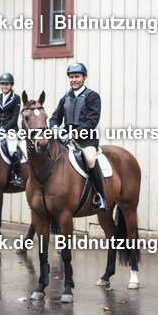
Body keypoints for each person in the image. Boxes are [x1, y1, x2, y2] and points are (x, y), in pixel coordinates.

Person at [49, 62, 106, 211]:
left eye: (77, 76)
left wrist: (73, 133)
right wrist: (55, 129)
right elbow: (55, 118)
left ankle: (100, 197)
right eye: (72, 77)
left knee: (90, 159)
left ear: (84, 77)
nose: (74, 79)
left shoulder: (92, 96)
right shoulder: (66, 97)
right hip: (66, 140)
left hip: (86, 140)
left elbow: (92, 120)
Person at [0, 72, 24, 189]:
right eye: (2, 84)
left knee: (11, 150)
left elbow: (14, 118)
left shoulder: (16, 98)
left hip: (11, 130)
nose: (4, 86)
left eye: (7, 84)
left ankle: (18, 176)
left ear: (11, 85)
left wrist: (4, 129)